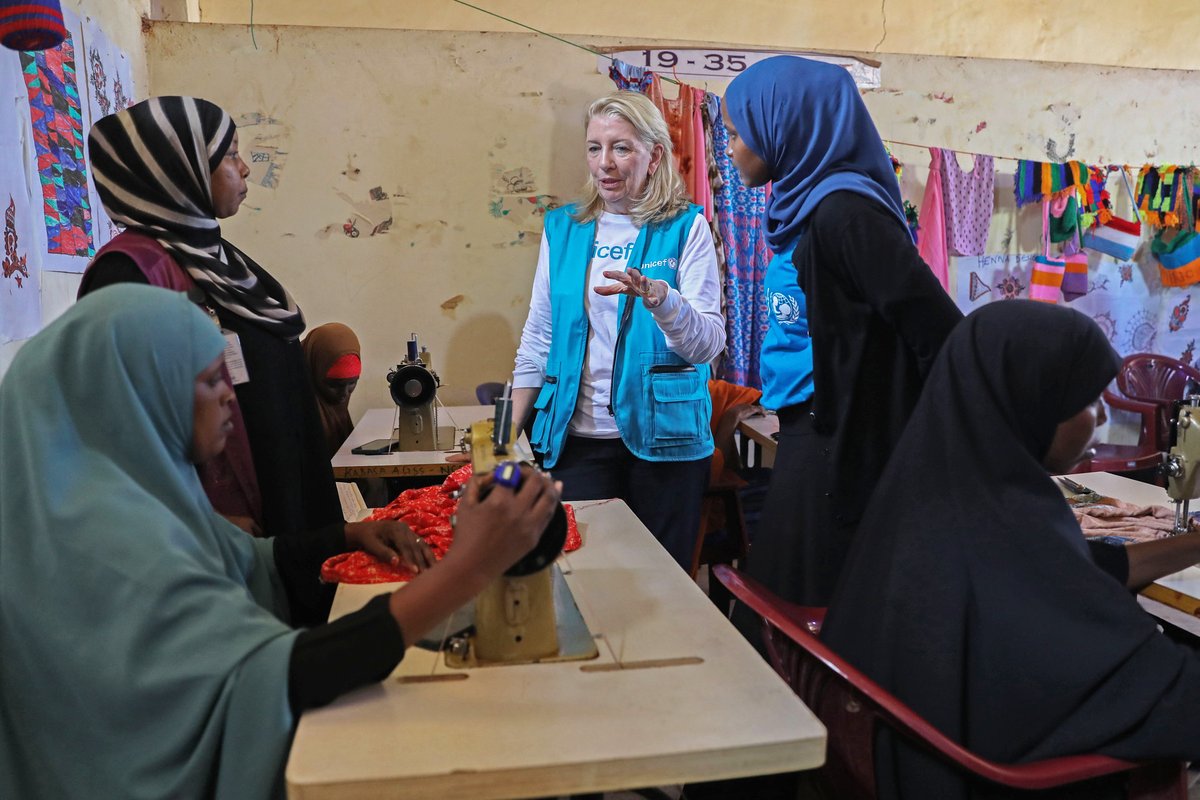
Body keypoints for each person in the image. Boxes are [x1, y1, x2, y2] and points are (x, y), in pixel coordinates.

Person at [0, 285, 561, 800]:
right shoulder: (111, 544)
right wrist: (465, 570)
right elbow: (276, 676)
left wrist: (348, 533)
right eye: (208, 380)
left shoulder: (127, 498)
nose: (230, 400)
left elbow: (249, 557)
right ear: (138, 394)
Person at [820, 300, 1200, 800]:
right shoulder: (999, 534)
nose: (1103, 417)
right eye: (1087, 401)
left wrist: (1191, 544)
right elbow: (1146, 688)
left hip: (904, 748)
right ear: (1029, 402)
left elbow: (1077, 573)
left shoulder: (943, 493)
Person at [78, 97, 420, 591]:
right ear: (179, 169)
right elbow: (119, 431)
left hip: (286, 500)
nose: (244, 171)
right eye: (229, 156)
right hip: (215, 536)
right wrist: (195, 518)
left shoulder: (216, 260)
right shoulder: (129, 274)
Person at [721, 56, 963, 606]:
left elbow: (939, 332)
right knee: (787, 605)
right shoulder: (804, 205)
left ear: (785, 126)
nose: (730, 149)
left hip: (842, 443)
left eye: (738, 134)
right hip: (814, 432)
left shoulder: (844, 214)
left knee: (803, 612)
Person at [508, 90, 725, 569]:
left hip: (667, 447)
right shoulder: (563, 228)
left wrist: (662, 301)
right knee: (584, 576)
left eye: (621, 148)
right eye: (594, 147)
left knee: (662, 584)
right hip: (577, 440)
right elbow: (538, 338)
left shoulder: (686, 227)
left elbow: (708, 344)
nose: (604, 163)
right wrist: (505, 435)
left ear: (654, 156)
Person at [302, 322, 362, 458]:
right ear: (313, 370)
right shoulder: (295, 412)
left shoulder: (334, 414)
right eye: (334, 385)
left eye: (352, 383)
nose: (345, 394)